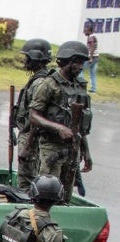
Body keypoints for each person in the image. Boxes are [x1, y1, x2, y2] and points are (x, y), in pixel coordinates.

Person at [29, 40, 93, 202]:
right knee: (48, 194)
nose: (80, 67)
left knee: (66, 197)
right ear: (66, 61)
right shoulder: (49, 84)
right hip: (52, 148)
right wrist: (58, 127)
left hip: (72, 149)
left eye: (83, 63)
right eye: (77, 62)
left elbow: (81, 124)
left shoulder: (80, 87)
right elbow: (34, 116)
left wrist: (86, 152)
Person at [12, 39, 54, 190]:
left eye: (27, 57)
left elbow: (37, 116)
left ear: (36, 58)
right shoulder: (40, 79)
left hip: (31, 136)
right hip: (29, 134)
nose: (25, 61)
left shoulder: (39, 82)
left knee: (27, 180)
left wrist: (28, 146)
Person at [80, 21, 98, 94]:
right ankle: (93, 89)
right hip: (96, 57)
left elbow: (93, 47)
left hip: (92, 57)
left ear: (89, 31)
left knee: (80, 69)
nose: (84, 32)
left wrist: (90, 57)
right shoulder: (94, 36)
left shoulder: (90, 37)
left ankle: (81, 86)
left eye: (85, 31)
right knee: (93, 74)